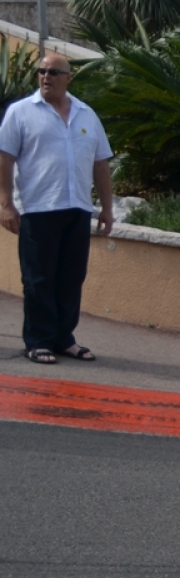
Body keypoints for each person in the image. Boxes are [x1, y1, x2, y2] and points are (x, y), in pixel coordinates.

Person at [0, 53, 114, 365]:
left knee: (71, 276)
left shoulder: (86, 114)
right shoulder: (21, 112)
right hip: (38, 208)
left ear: (68, 77)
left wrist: (106, 208)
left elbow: (100, 163)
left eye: (53, 72)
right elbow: (5, 158)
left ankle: (64, 338)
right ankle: (38, 341)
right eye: (41, 71)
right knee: (38, 278)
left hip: (76, 207)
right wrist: (6, 203)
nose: (45, 76)